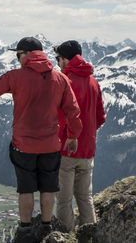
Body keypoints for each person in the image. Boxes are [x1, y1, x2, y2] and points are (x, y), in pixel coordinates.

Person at [0, 37, 82, 241]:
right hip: (51, 145)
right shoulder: (60, 78)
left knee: (26, 188)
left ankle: (25, 228)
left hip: (24, 146)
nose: (18, 59)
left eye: (18, 55)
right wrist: (73, 136)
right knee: (49, 186)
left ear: (27, 54)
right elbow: (73, 111)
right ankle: (47, 226)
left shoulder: (15, 76)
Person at [54, 40, 106, 232]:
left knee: (64, 200)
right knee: (85, 198)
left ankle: (66, 236)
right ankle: (90, 234)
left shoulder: (64, 81)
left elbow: (60, 116)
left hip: (67, 149)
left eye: (58, 58)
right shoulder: (93, 82)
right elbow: (100, 117)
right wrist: (88, 134)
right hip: (88, 150)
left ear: (67, 59)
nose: (57, 62)